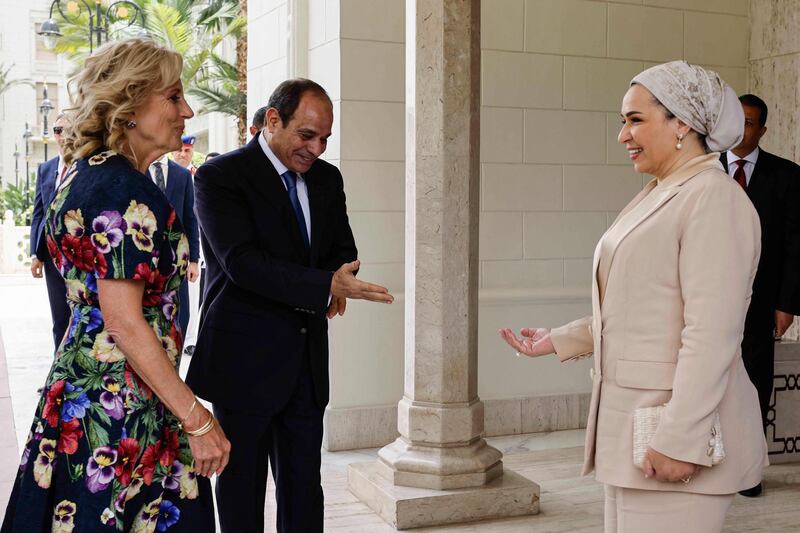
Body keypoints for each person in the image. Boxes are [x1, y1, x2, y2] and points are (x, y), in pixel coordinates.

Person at [500, 61, 767, 533]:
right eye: (623, 121)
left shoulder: (714, 199)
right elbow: (641, 305)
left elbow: (712, 335)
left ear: (682, 122)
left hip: (670, 438)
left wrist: (680, 440)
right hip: (633, 431)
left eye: (635, 119)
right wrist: (561, 339)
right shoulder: (661, 191)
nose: (623, 135)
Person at [1, 38, 229, 532]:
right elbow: (125, 323)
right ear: (130, 103)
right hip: (123, 410)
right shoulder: (123, 190)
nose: (186, 110)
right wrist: (198, 420)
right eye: (173, 96)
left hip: (90, 394)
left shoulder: (88, 175)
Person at [187, 78, 394, 533]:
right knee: (241, 491)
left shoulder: (327, 179)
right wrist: (323, 285)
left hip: (305, 360)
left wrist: (340, 282)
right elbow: (243, 264)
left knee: (304, 490)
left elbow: (342, 249)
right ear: (273, 120)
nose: (316, 148)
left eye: (324, 139)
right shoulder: (220, 176)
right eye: (307, 135)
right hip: (243, 364)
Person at [720, 94, 800, 497]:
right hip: (708, 299)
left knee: (754, 382)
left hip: (760, 300)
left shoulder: (786, 176)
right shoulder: (703, 170)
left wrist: (787, 304)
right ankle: (709, 464)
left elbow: (795, 245)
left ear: (762, 130)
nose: (740, 128)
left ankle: (748, 470)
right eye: (736, 120)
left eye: (749, 123)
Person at [29, 113, 72, 349]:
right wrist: (35, 254)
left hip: (79, 256)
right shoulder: (45, 169)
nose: (63, 136)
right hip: (52, 255)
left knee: (82, 318)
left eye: (68, 130)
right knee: (59, 318)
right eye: (57, 130)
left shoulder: (85, 166)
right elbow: (38, 213)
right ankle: (60, 379)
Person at [147, 154, 201, 337]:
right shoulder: (136, 169)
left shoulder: (182, 175)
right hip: (145, 257)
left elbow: (190, 218)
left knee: (180, 315)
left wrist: (194, 259)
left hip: (178, 258)